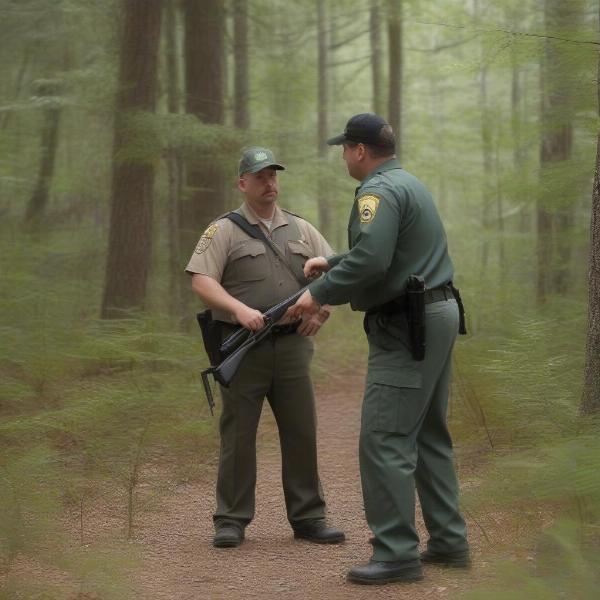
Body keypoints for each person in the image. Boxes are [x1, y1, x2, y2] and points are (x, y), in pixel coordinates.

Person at [288, 114, 469, 584]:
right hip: (438, 312)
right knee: (428, 433)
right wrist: (334, 259)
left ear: (359, 150)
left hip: (407, 326)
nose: (344, 157)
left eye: (345, 149)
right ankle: (449, 542)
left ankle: (395, 553)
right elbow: (394, 249)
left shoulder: (375, 191)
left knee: (385, 437)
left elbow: (375, 257)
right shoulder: (408, 184)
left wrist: (321, 291)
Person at [186, 146, 344, 549]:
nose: (269, 183)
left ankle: (309, 517)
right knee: (238, 434)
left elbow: (338, 271)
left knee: (301, 431)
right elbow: (202, 281)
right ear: (243, 183)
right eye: (260, 177)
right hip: (243, 348)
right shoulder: (223, 230)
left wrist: (319, 311)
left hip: (292, 347)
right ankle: (231, 519)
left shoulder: (302, 229)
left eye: (273, 175)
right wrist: (239, 310)